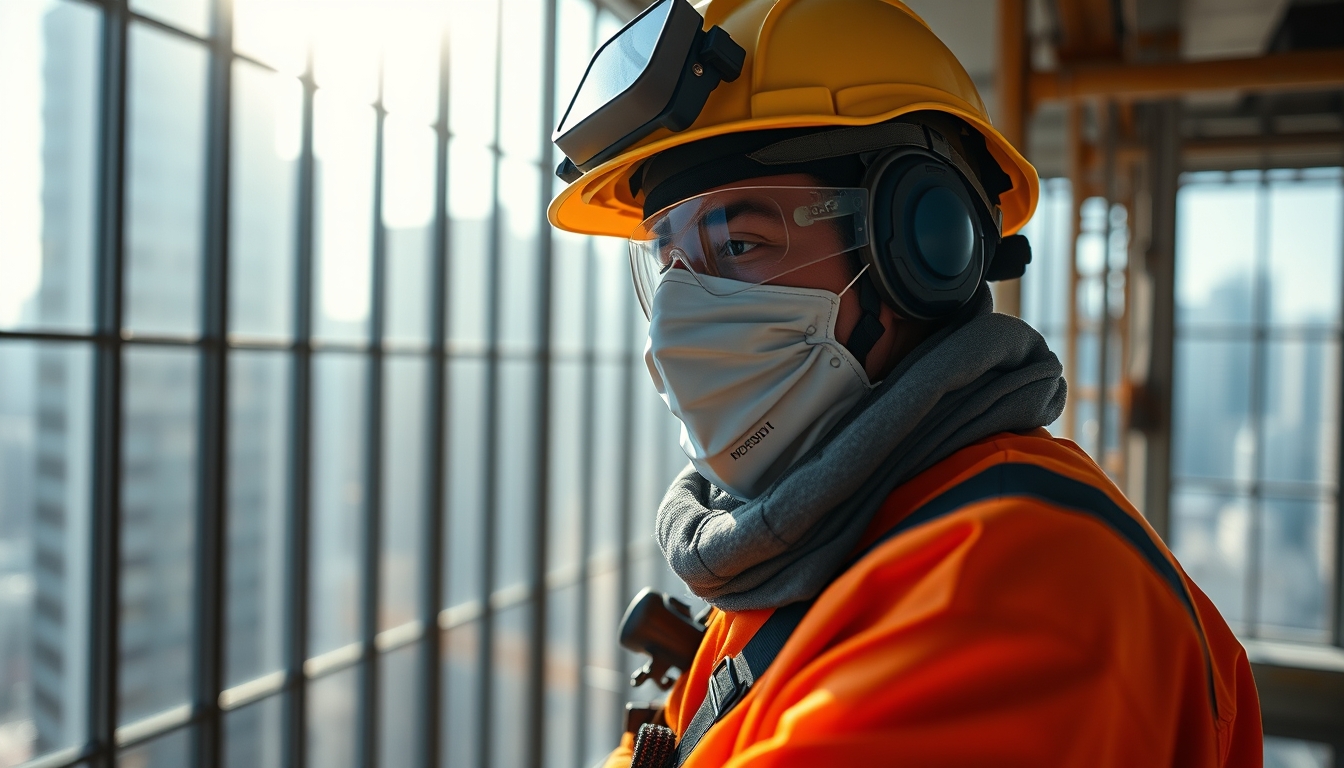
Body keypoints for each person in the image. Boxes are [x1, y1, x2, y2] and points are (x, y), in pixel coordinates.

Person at [548, 0, 1263, 765]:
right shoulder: (822, 527)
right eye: (669, 262)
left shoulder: (1014, 585)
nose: (678, 315)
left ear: (921, 247)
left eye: (738, 241)